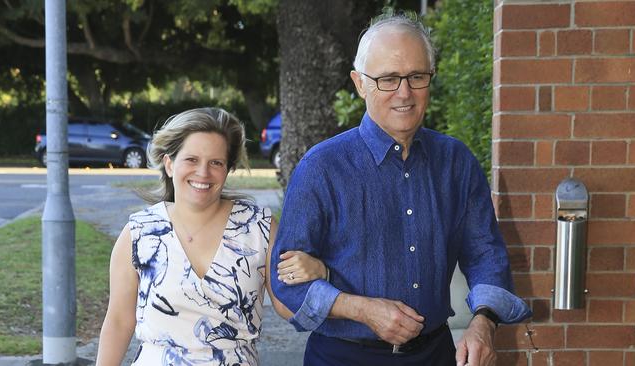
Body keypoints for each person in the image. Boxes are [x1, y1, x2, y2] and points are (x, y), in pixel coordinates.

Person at [270, 13, 532, 366]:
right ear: (360, 84)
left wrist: (484, 322)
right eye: (388, 79)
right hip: (342, 358)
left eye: (416, 77)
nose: (404, 93)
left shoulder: (456, 162)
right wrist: (362, 309)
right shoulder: (321, 167)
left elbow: (485, 254)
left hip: (435, 355)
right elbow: (286, 283)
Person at [96, 107, 327, 366]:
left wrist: (320, 273)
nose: (203, 173)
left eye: (216, 162)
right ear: (169, 164)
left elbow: (287, 306)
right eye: (191, 160)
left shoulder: (259, 228)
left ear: (228, 169)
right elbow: (118, 322)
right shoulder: (139, 232)